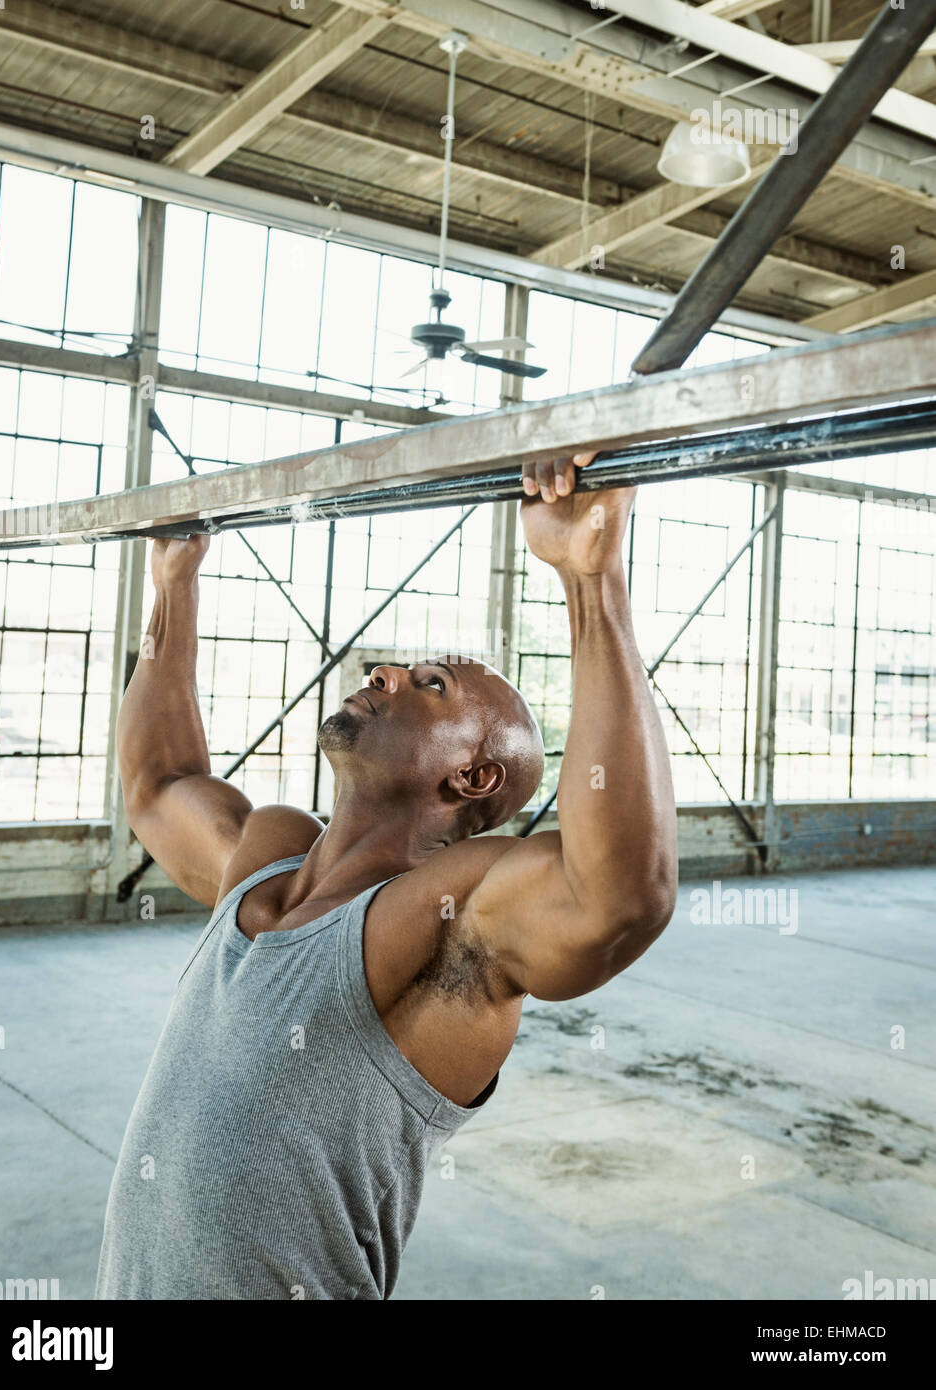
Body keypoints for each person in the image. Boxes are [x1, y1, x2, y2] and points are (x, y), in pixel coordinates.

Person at [96, 451, 677, 1300]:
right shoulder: (270, 856)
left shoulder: (451, 919)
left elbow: (620, 896)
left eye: (432, 684)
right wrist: (173, 580)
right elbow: (158, 786)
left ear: (473, 779)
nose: (387, 672)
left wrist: (592, 579)